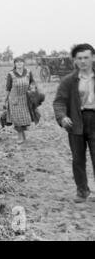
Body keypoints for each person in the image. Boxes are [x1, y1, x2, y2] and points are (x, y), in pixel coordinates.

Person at [53, 44, 95, 203]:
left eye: (86, 57)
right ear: (75, 61)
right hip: (76, 122)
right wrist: (62, 117)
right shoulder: (68, 81)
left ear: (93, 58)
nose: (83, 61)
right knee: (78, 158)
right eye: (79, 58)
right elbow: (59, 102)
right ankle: (82, 191)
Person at [5, 57, 36, 144]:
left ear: (23, 63)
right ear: (14, 64)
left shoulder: (28, 72)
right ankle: (20, 137)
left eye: (21, 62)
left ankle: (23, 135)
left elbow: (32, 82)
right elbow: (8, 88)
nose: (19, 64)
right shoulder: (11, 74)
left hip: (25, 98)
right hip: (14, 99)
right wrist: (6, 99)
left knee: (25, 118)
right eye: (17, 62)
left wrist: (33, 89)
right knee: (17, 119)